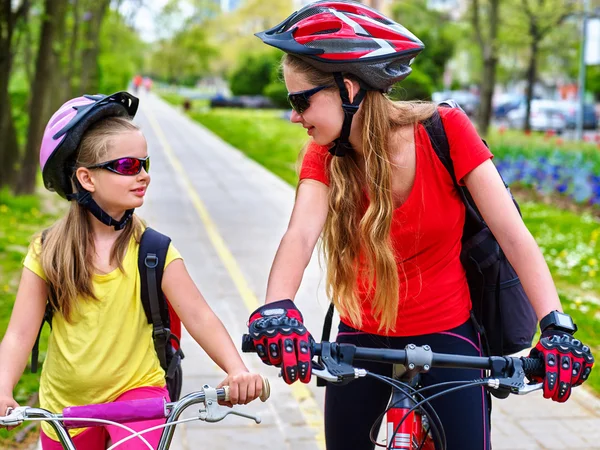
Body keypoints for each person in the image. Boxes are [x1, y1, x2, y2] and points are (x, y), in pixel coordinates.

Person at [245, 2, 594, 450]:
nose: (294, 115)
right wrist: (278, 309)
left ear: (348, 88)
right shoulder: (325, 154)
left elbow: (514, 235)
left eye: (301, 100)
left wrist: (557, 327)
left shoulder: (444, 130)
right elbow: (299, 234)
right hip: (360, 335)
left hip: (447, 333)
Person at [0, 92, 264, 449]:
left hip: (137, 397)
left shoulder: (153, 251)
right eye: (127, 166)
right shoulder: (47, 253)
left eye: (145, 164)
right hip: (65, 404)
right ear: (86, 178)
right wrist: (3, 389)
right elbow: (19, 334)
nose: (143, 175)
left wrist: (236, 370)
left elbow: (200, 316)